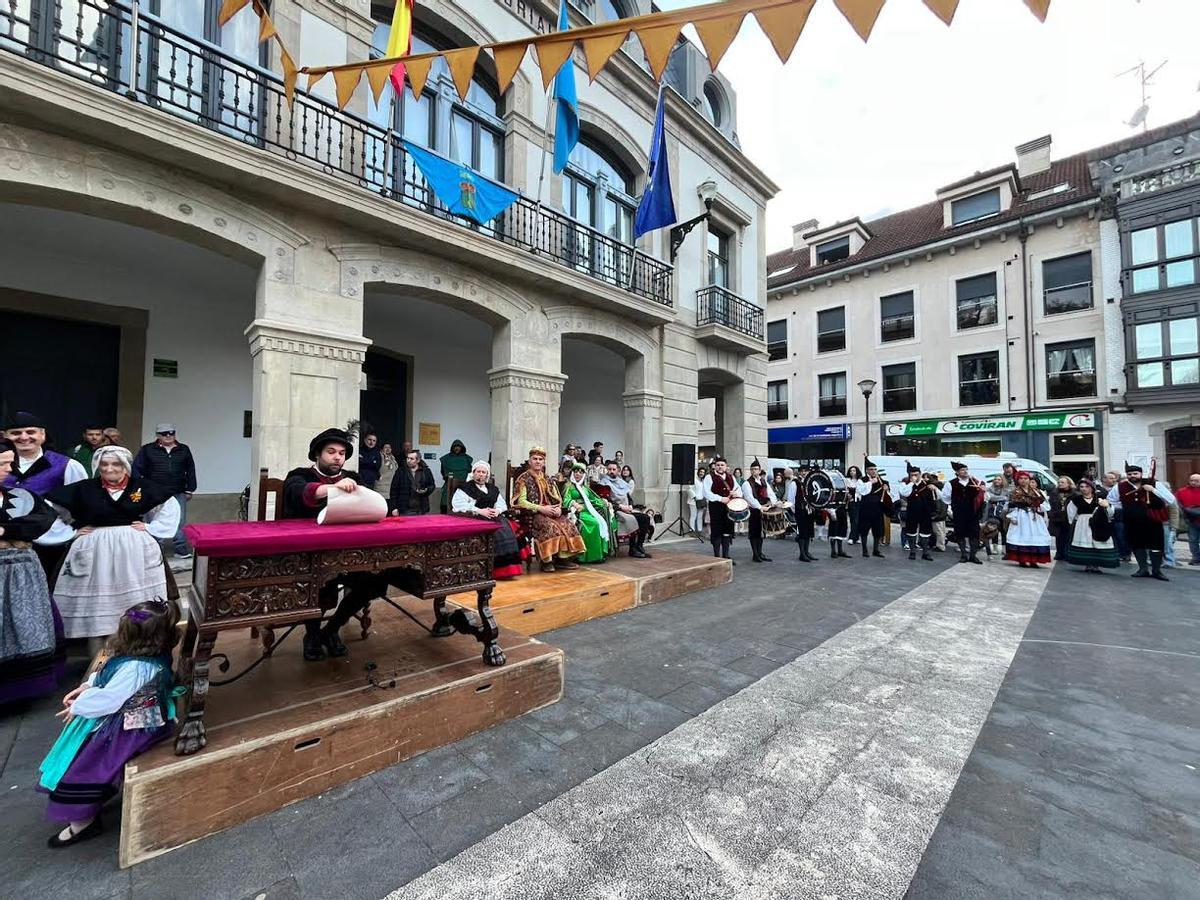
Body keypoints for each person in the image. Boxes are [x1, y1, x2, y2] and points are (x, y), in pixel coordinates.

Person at [37, 598, 180, 848]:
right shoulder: (140, 662)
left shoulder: (137, 667)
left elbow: (110, 699)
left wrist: (79, 705)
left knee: (88, 765)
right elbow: (110, 677)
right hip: (133, 718)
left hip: (132, 727)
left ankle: (83, 822)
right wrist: (88, 686)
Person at [46, 446, 179, 654]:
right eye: (104, 464)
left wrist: (152, 528)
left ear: (125, 466)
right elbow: (49, 508)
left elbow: (168, 505)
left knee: (135, 604)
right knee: (100, 605)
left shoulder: (142, 487)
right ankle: (97, 663)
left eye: (116, 464)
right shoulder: (84, 488)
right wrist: (70, 531)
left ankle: (136, 649)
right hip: (95, 551)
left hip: (134, 550)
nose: (109, 469)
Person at [283, 429, 388, 660]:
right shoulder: (299, 475)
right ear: (317, 454)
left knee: (376, 579)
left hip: (349, 553)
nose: (337, 457)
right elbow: (299, 491)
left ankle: (331, 630)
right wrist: (333, 488)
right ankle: (311, 636)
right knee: (317, 582)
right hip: (309, 555)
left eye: (341, 453)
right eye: (331, 452)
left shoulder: (353, 478)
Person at [0, 438, 65, 705]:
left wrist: (7, 531)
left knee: (26, 625)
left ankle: (23, 690)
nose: (9, 469)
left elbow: (42, 520)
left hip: (22, 574)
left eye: (9, 462)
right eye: (2, 464)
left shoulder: (18, 496)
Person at [3, 412, 90, 588]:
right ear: (5, 436)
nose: (24, 437)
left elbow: (82, 503)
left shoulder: (67, 466)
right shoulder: (2, 465)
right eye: (16, 433)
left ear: (42, 435)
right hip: (5, 546)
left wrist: (73, 531)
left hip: (50, 543)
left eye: (30, 432)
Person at [512, 447, 585, 572]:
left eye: (541, 459)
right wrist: (541, 508)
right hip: (533, 514)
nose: (538, 461)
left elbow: (557, 497)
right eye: (535, 459)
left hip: (551, 512)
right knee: (549, 527)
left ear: (544, 462)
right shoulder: (523, 479)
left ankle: (562, 559)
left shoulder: (548, 478)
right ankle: (547, 561)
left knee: (567, 524)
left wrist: (558, 509)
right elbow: (521, 501)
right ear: (530, 461)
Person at [452, 460, 526, 579]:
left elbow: (502, 505)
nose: (480, 474)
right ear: (473, 473)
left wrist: (497, 511)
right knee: (496, 532)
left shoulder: (493, 489)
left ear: (487, 475)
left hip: (493, 516)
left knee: (507, 528)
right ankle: (496, 570)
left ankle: (510, 569)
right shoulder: (464, 488)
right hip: (474, 518)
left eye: (483, 472)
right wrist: (479, 510)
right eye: (478, 472)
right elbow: (457, 505)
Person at [133, 424, 197, 560]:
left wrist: (190, 488)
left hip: (177, 490)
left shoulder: (183, 449)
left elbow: (190, 469)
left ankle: (180, 549)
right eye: (164, 433)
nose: (168, 436)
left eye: (171, 433)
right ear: (157, 435)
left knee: (179, 520)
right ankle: (156, 548)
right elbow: (137, 469)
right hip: (154, 492)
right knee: (153, 520)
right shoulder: (147, 449)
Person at [1108, 463, 1174, 581]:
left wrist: (1152, 489)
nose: (1132, 476)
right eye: (1129, 474)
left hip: (1153, 521)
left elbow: (1170, 499)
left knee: (1156, 546)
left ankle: (1156, 571)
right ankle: (1142, 569)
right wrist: (1126, 509)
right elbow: (1111, 501)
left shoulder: (1154, 483)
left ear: (1141, 474)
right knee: (1137, 545)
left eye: (1135, 473)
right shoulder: (1119, 487)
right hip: (1132, 522)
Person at [600, 461, 652, 559]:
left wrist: (630, 506)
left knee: (645, 518)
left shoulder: (622, 482)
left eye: (614, 469)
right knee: (632, 520)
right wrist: (620, 507)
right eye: (609, 469)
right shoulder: (604, 483)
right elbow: (605, 501)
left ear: (618, 471)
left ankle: (639, 546)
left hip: (626, 508)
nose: (611, 471)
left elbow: (628, 497)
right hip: (615, 510)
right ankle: (632, 550)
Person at [561, 463, 612, 563]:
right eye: (575, 471)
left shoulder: (585, 488)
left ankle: (597, 556)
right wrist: (573, 503)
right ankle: (584, 557)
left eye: (580, 472)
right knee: (594, 524)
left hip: (589, 510)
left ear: (584, 474)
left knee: (601, 522)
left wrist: (603, 501)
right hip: (576, 512)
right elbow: (565, 500)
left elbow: (593, 500)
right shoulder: (568, 486)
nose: (578, 474)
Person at [1066, 478, 1119, 573]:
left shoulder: (1099, 498)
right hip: (1082, 524)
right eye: (1081, 487)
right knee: (1085, 542)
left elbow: (1110, 511)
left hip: (1098, 522)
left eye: (1086, 487)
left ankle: (1096, 565)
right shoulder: (1076, 500)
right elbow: (1071, 513)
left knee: (1098, 542)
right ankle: (1088, 564)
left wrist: (1105, 507)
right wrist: (1074, 524)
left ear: (1092, 488)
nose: (1084, 489)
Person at [1005, 471, 1052, 568]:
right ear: (1018, 480)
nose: (1023, 481)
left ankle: (1034, 560)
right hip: (1021, 516)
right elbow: (1010, 506)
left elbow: (1045, 504)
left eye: (1026, 479)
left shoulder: (1037, 491)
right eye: (1021, 478)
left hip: (1034, 517)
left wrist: (1038, 507)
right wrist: (1012, 517)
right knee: (1022, 535)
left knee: (1034, 536)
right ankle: (1022, 559)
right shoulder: (1014, 492)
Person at [941, 461, 985, 565]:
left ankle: (973, 555)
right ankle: (964, 555)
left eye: (966, 469)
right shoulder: (951, 483)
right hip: (959, 512)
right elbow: (945, 497)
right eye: (962, 470)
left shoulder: (974, 482)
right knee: (960, 533)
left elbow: (982, 495)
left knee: (974, 534)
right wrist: (954, 505)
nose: (965, 471)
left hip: (973, 512)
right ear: (957, 472)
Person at [703, 456, 741, 562]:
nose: (720, 467)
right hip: (716, 508)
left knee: (727, 531)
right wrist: (720, 498)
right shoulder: (709, 477)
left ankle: (726, 556)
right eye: (718, 465)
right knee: (717, 531)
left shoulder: (731, 477)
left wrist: (736, 493)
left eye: (722, 465)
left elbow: (739, 489)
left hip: (729, 508)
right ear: (715, 466)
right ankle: (716, 556)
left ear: (726, 467)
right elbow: (706, 493)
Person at [899, 463, 936, 561]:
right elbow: (904, 493)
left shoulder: (927, 485)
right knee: (911, 532)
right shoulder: (907, 485)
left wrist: (932, 511)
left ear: (920, 474)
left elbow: (934, 498)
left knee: (925, 532)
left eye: (916, 474)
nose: (914, 477)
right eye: (912, 475)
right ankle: (912, 552)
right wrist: (912, 483)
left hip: (925, 512)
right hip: (912, 511)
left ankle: (925, 552)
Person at [855, 459, 891, 559]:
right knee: (864, 530)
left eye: (875, 469)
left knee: (877, 530)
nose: (874, 471)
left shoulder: (883, 481)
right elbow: (862, 492)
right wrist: (870, 482)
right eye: (871, 469)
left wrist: (886, 489)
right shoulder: (862, 480)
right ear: (867, 470)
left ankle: (876, 550)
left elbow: (888, 496)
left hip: (877, 509)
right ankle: (864, 550)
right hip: (866, 508)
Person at [742, 458, 774, 563]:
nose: (754, 471)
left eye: (756, 469)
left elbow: (770, 493)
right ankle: (755, 554)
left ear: (760, 470)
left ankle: (760, 553)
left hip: (764, 509)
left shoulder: (764, 481)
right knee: (754, 533)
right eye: (752, 469)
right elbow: (749, 498)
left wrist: (773, 502)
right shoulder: (747, 483)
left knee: (761, 533)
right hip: (754, 511)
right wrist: (760, 507)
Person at [389, 448, 436, 516]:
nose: (408, 460)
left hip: (422, 508)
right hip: (405, 509)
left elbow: (432, 485)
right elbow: (393, 490)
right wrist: (394, 507)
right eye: (407, 458)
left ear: (418, 460)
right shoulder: (401, 471)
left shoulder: (426, 471)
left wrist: (426, 490)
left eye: (411, 459)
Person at [787, 465, 817, 562]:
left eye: (806, 471)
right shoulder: (795, 483)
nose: (804, 473)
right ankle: (802, 554)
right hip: (800, 510)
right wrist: (795, 511)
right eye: (802, 471)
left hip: (809, 510)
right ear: (799, 472)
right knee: (802, 532)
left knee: (809, 531)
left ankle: (807, 552)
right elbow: (790, 499)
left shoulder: (811, 482)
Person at [1101, 470, 1131, 563]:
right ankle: (1118, 553)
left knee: (1121, 535)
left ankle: (1125, 553)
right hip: (1112, 514)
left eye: (1114, 478)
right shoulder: (1104, 489)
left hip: (1123, 515)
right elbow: (1110, 501)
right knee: (1115, 535)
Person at [438, 439, 472, 513]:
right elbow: (443, 472)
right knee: (445, 504)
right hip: (449, 485)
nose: (457, 448)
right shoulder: (446, 459)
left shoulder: (467, 459)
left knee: (464, 506)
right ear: (452, 448)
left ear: (462, 448)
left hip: (464, 486)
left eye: (458, 446)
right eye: (455, 446)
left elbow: (470, 472)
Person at [1048, 475, 1075, 562]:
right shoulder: (1054, 493)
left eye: (1062, 482)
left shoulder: (1074, 493)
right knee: (1058, 537)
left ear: (1069, 483)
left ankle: (1067, 553)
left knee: (1068, 536)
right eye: (1059, 482)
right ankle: (1059, 553)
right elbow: (1051, 505)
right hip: (1057, 517)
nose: (1060, 484)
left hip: (1069, 518)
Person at [1177, 472, 1200, 566]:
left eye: (1196, 481)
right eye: (1192, 480)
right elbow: (1177, 503)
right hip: (1191, 520)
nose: (1193, 482)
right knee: (1193, 540)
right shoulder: (1181, 491)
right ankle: (1196, 558)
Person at [984, 475, 1011, 554]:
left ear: (1002, 481)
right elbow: (991, 498)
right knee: (994, 529)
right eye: (995, 479)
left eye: (999, 479)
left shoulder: (1006, 490)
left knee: (1003, 530)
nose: (997, 481)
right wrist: (1003, 498)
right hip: (992, 512)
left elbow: (1009, 499)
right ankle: (995, 547)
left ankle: (1004, 548)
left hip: (1003, 512)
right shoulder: (990, 489)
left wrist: (999, 498)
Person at [844, 464, 862, 544]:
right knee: (853, 519)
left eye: (854, 470)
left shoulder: (860, 481)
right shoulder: (847, 480)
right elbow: (845, 490)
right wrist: (847, 495)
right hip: (851, 502)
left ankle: (854, 537)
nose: (852, 472)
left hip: (859, 501)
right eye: (851, 471)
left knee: (857, 519)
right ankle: (853, 537)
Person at [690, 466, 708, 536]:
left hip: (701, 501)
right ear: (698, 472)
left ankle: (699, 530)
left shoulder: (703, 481)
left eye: (703, 472)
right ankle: (692, 530)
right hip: (693, 501)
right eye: (701, 472)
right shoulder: (694, 479)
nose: (702, 473)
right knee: (693, 515)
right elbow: (689, 488)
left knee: (700, 516)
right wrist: (694, 497)